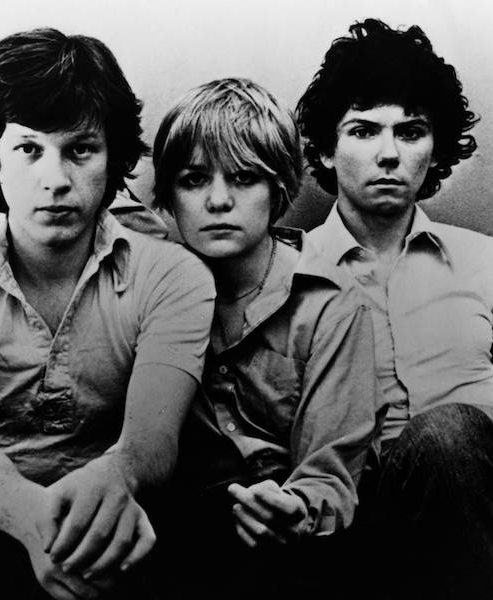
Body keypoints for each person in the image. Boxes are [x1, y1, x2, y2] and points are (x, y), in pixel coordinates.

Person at [0, 28, 215, 600]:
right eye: (29, 148)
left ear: (112, 159)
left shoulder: (174, 277)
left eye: (80, 149)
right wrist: (34, 522)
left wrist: (102, 498)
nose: (55, 180)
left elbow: (150, 442)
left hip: (116, 526)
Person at [297, 18, 493, 599]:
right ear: (326, 151)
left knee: (451, 432)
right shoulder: (287, 273)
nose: (388, 154)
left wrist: (468, 428)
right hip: (360, 514)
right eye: (363, 130)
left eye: (410, 132)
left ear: (435, 151)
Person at [150, 77, 379, 599]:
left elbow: (332, 466)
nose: (218, 200)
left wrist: (295, 510)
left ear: (277, 189)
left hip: (306, 536)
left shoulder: (331, 303)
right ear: (168, 195)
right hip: (193, 528)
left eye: (243, 178)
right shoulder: (150, 285)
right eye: (193, 180)